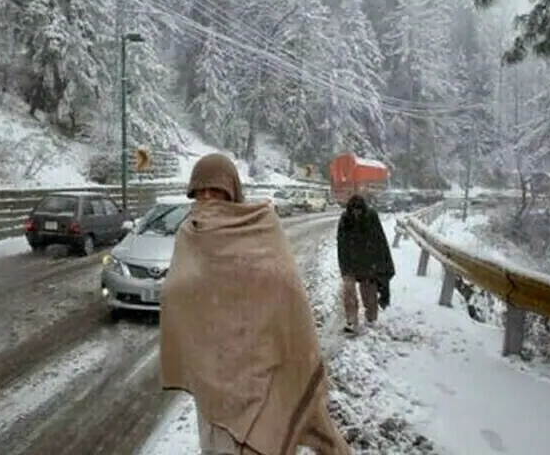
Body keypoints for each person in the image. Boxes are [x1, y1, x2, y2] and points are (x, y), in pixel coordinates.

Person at [159, 153, 351, 455]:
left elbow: (285, 286)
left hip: (259, 363)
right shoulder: (190, 233)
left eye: (215, 191)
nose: (207, 199)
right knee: (218, 443)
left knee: (261, 438)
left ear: (232, 192)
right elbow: (176, 292)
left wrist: (250, 299)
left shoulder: (261, 225)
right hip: (213, 371)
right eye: (200, 192)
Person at [336, 193, 395, 334]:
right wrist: (344, 266)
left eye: (359, 210)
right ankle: (351, 320)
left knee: (369, 292)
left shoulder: (371, 218)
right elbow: (341, 244)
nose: (356, 213)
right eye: (353, 210)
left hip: (367, 261)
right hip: (350, 261)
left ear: (363, 210)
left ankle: (371, 319)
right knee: (348, 290)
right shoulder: (345, 220)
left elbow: (379, 241)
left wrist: (379, 264)